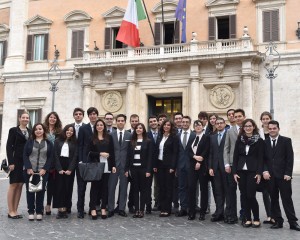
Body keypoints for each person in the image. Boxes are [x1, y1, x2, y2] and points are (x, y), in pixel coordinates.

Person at [263, 120, 300, 231]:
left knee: (287, 200)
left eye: (274, 128)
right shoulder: (264, 143)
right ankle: (278, 221)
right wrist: (264, 171)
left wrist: (288, 173)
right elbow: (263, 159)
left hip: (284, 176)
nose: (272, 130)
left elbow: (290, 158)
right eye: (270, 129)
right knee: (273, 200)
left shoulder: (286, 141)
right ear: (268, 130)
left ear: (279, 129)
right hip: (270, 177)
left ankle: (293, 222)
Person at [232, 119, 264, 228]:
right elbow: (235, 157)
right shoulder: (239, 140)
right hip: (241, 171)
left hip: (253, 171)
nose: (248, 128)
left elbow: (261, 158)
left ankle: (256, 218)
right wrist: (234, 172)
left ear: (254, 127)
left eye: (250, 126)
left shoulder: (259, 141)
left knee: (251, 195)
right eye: (246, 126)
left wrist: (259, 172)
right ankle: (248, 218)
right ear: (243, 128)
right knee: (244, 195)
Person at [23, 123, 53, 221]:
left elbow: (50, 157)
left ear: (43, 130)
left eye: (40, 129)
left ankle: (39, 211)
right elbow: (25, 155)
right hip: (30, 171)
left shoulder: (48, 143)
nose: (38, 131)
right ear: (34, 131)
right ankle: (31, 211)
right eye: (36, 129)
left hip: (42, 172)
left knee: (41, 191)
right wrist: (28, 167)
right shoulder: (29, 142)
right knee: (30, 191)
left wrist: (45, 168)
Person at [88, 119, 116, 220]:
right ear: (95, 127)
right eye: (98, 125)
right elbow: (89, 153)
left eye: (101, 125)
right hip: (96, 166)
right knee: (95, 188)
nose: (99, 126)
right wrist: (100, 153)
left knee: (105, 188)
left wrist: (113, 166)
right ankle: (93, 208)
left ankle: (103, 208)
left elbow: (112, 152)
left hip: (107, 166)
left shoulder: (109, 137)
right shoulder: (92, 138)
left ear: (104, 126)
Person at [6, 111, 31, 219]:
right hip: (15, 161)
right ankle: (10, 210)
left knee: (20, 185)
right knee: (13, 184)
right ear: (19, 118)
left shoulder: (30, 131)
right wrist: (11, 162)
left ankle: (15, 210)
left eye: (27, 118)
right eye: (23, 117)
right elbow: (9, 147)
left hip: (26, 162)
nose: (25, 119)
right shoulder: (13, 130)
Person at [223, 108, 246, 224]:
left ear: (244, 117)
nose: (237, 118)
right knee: (231, 190)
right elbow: (226, 148)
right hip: (231, 165)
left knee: (244, 191)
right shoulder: (229, 131)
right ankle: (232, 215)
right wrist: (226, 163)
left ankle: (244, 214)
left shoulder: (249, 129)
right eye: (235, 117)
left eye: (239, 116)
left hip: (244, 166)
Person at [125, 123, 152, 218]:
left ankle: (141, 210)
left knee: (143, 190)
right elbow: (128, 157)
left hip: (143, 169)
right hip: (133, 168)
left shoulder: (148, 141)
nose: (139, 129)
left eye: (140, 128)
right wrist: (127, 169)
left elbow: (149, 157)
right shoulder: (132, 141)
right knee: (135, 190)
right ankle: (136, 209)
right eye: (137, 128)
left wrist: (149, 170)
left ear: (143, 129)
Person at [107, 114, 131, 217]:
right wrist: (111, 164)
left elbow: (130, 152)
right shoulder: (110, 135)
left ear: (125, 122)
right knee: (111, 187)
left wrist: (128, 167)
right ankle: (111, 209)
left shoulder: (129, 135)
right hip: (114, 166)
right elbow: (109, 151)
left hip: (124, 166)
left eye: (122, 121)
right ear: (116, 122)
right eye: (119, 120)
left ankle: (121, 208)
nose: (120, 122)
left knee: (124, 188)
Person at [77, 107, 99, 218]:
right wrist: (80, 160)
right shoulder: (83, 128)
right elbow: (80, 145)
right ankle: (80, 209)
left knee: (95, 188)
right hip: (84, 161)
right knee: (81, 187)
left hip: (96, 162)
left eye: (95, 114)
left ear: (97, 115)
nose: (93, 116)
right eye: (91, 114)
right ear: (88, 116)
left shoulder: (100, 127)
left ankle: (92, 208)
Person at [154, 119, 178, 217]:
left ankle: (167, 209)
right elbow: (156, 151)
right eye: (165, 125)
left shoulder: (174, 137)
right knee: (161, 187)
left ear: (171, 127)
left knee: (168, 187)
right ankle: (162, 207)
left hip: (169, 166)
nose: (166, 126)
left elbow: (175, 153)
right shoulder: (160, 137)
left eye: (168, 125)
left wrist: (173, 166)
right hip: (160, 165)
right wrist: (155, 165)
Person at [53, 124, 77, 219]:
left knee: (68, 188)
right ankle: (60, 210)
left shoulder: (75, 142)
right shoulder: (58, 141)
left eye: (71, 131)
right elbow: (55, 155)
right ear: (65, 130)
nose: (69, 132)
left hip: (69, 165)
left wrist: (70, 169)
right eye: (68, 130)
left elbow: (75, 156)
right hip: (59, 164)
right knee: (59, 188)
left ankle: (66, 208)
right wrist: (59, 169)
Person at [187, 120, 210, 221]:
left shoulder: (206, 137)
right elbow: (188, 150)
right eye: (196, 125)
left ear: (202, 126)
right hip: (192, 166)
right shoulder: (192, 137)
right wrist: (195, 157)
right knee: (191, 188)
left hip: (203, 166)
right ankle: (191, 212)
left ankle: (202, 212)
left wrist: (199, 161)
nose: (198, 127)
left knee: (203, 189)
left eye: (199, 125)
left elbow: (206, 151)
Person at [43, 111, 62, 215]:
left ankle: (48, 205)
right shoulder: (43, 129)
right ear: (48, 118)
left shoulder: (59, 131)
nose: (52, 119)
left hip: (54, 161)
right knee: (41, 184)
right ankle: (39, 205)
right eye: (51, 117)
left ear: (57, 120)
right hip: (43, 159)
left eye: (55, 118)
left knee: (51, 185)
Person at [176, 116, 196, 217]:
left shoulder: (194, 135)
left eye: (186, 122)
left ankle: (191, 208)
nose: (184, 123)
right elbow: (175, 152)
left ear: (190, 123)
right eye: (183, 122)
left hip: (191, 165)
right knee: (181, 187)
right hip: (180, 165)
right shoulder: (177, 135)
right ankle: (183, 207)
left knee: (192, 187)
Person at [208, 117, 227, 222]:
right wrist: (210, 167)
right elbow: (210, 153)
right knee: (217, 191)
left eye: (221, 123)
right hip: (215, 168)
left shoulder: (228, 135)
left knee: (228, 191)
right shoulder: (212, 137)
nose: (219, 125)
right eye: (217, 123)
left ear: (224, 124)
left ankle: (228, 212)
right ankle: (219, 212)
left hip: (226, 168)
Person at [67, 107, 85, 213]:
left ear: (83, 116)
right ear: (73, 115)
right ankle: (67, 206)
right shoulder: (69, 127)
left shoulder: (87, 128)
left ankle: (80, 208)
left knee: (81, 185)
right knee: (68, 184)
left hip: (81, 160)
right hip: (69, 160)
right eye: (76, 114)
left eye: (80, 114)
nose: (78, 115)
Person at [258, 111, 273, 224]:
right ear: (261, 120)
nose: (265, 120)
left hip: (274, 166)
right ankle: (269, 215)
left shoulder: (274, 132)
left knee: (274, 192)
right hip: (262, 166)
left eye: (267, 118)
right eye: (263, 119)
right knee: (265, 192)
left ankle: (275, 215)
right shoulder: (258, 133)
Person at [147, 115, 160, 213]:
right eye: (151, 121)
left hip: (160, 163)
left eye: (154, 121)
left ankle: (158, 202)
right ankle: (148, 204)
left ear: (157, 122)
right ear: (149, 123)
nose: (153, 123)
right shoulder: (146, 135)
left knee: (158, 184)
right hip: (148, 163)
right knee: (147, 185)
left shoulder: (163, 134)